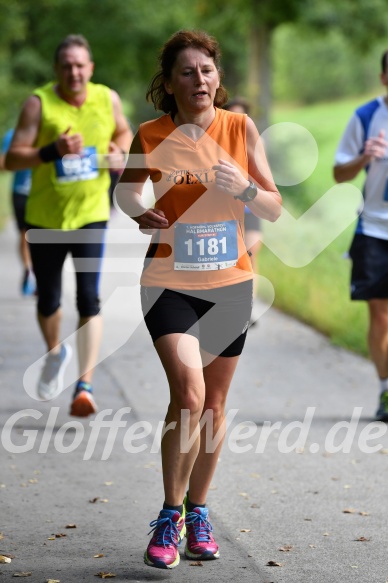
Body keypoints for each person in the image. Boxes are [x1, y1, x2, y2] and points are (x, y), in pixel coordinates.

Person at [116, 29, 281, 569]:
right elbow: (125, 189)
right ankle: (170, 514)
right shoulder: (151, 132)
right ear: (169, 83)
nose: (199, 80)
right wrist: (140, 212)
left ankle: (199, 510)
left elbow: (275, 207)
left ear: (218, 78)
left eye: (207, 70)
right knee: (188, 396)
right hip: (168, 281)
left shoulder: (239, 127)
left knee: (212, 407)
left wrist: (247, 190)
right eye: (187, 72)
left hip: (230, 285)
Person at [6, 34, 132, 417]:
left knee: (89, 298)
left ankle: (85, 385)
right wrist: (51, 152)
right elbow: (11, 159)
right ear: (57, 70)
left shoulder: (106, 98)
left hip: (92, 212)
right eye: (66, 65)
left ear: (90, 69)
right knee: (49, 300)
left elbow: (123, 132)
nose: (74, 71)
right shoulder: (38, 104)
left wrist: (120, 150)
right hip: (45, 218)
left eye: (80, 65)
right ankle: (55, 352)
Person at [333, 49, 388, 422]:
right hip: (375, 227)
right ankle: (386, 390)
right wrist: (364, 158)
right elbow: (339, 174)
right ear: (384, 77)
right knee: (381, 316)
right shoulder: (367, 116)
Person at [223, 98, 263, 326]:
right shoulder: (217, 142)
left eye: (242, 116)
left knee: (250, 253)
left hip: (252, 207)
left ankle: (248, 308)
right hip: (228, 209)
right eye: (233, 116)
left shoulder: (255, 143)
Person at [0, 128, 35, 295]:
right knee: (26, 234)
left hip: (48, 193)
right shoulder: (12, 135)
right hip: (22, 191)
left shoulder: (57, 131)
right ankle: (29, 270)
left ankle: (36, 272)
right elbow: (3, 164)